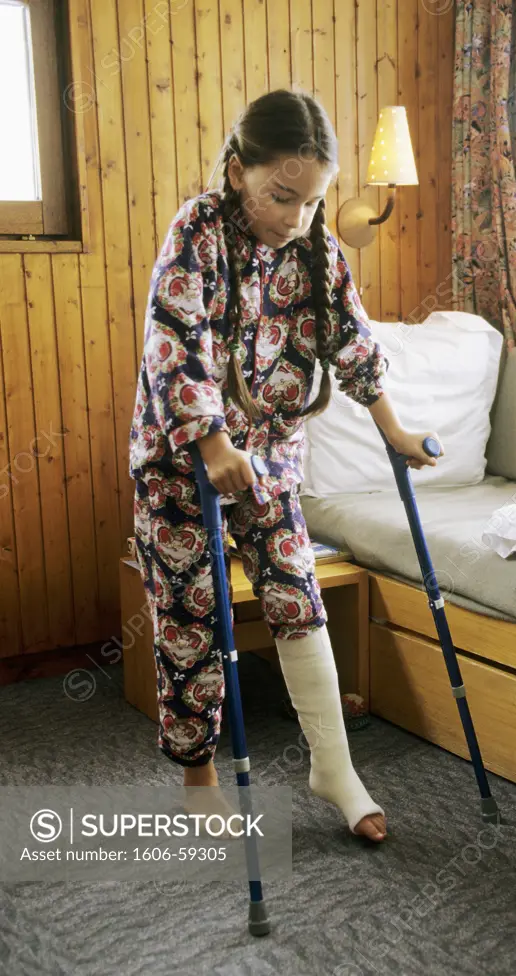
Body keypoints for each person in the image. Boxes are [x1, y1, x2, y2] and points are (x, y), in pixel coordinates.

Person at [129, 89, 444, 844]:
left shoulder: (314, 244)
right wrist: (210, 446)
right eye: (283, 197)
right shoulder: (197, 229)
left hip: (267, 453)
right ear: (240, 171)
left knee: (299, 597)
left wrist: (394, 429)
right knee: (191, 618)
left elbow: (350, 335)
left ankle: (333, 766)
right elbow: (176, 341)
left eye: (312, 201)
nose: (297, 217)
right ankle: (199, 773)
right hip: (183, 459)